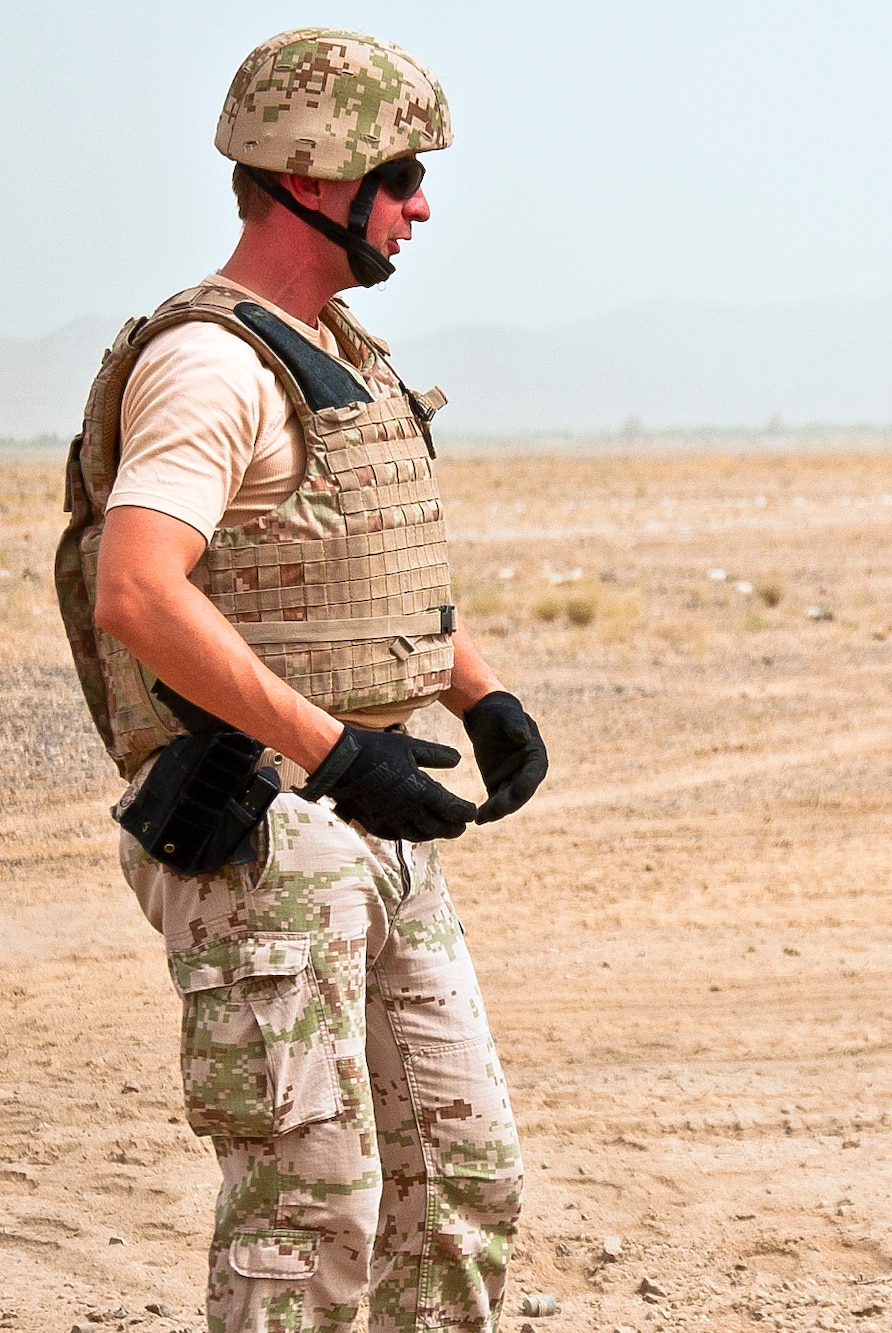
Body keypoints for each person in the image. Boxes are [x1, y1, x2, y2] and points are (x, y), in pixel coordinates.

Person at [51, 29, 546, 1331]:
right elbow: (139, 591)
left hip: (366, 815)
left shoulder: (349, 357)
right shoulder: (211, 365)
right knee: (305, 1202)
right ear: (315, 178)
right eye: (401, 173)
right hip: (262, 820)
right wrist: (335, 754)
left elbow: (348, 582)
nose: (422, 203)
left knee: (465, 1176)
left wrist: (477, 696)